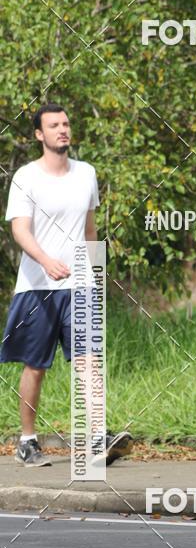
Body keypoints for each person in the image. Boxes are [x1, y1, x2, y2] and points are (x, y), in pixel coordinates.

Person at [0, 103, 132, 467]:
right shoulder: (26, 177)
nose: (63, 129)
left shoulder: (86, 173)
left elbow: (90, 230)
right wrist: (45, 260)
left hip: (81, 286)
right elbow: (19, 230)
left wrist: (95, 274)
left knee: (89, 361)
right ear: (39, 135)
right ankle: (27, 441)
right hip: (37, 287)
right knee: (35, 366)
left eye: (66, 123)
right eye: (54, 125)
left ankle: (96, 438)